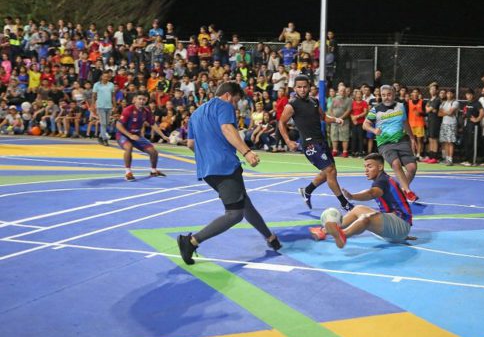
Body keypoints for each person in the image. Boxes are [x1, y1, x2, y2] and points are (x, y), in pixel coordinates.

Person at [177, 82, 281, 265]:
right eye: (235, 100)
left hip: (207, 170)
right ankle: (191, 241)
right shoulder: (224, 106)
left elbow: (190, 144)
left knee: (243, 203)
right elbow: (227, 128)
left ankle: (270, 237)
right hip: (224, 166)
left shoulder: (195, 114)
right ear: (227, 95)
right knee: (234, 214)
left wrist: (208, 157)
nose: (234, 105)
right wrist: (247, 152)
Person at [278, 75, 354, 211]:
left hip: (321, 140)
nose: (302, 89)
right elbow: (281, 123)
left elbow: (323, 116)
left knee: (329, 172)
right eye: (299, 87)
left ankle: (307, 190)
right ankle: (344, 203)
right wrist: (288, 141)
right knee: (330, 170)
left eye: (304, 87)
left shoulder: (314, 101)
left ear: (309, 87)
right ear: (295, 88)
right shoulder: (291, 105)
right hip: (310, 144)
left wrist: (336, 120)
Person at [310, 153, 416, 248]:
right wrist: (354, 196)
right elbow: (369, 191)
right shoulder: (382, 180)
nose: (366, 170)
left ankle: (342, 235)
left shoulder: (382, 181)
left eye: (370, 166)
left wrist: (352, 197)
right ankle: (323, 231)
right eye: (365, 167)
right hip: (394, 227)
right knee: (358, 209)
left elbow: (372, 193)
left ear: (380, 167)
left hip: (401, 225)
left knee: (366, 218)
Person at [363, 85, 419, 201]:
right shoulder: (376, 109)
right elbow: (365, 124)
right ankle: (408, 191)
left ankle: (401, 190)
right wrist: (374, 130)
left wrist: (412, 138)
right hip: (385, 143)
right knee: (396, 164)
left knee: (412, 168)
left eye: (388, 95)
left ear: (394, 95)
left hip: (401, 140)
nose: (386, 97)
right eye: (383, 95)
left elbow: (405, 122)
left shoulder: (401, 106)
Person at [115, 94, 168, 181]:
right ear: (135, 99)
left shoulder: (146, 111)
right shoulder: (128, 110)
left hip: (137, 136)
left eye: (144, 99)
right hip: (123, 135)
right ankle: (128, 173)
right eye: (139, 99)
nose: (141, 101)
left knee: (153, 152)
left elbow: (153, 124)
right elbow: (118, 125)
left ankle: (153, 171)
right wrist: (130, 135)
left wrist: (163, 136)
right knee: (128, 148)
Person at [92, 71, 115, 145]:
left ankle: (100, 137)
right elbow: (94, 96)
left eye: (107, 77)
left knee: (106, 123)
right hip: (100, 105)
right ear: (101, 77)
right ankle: (105, 139)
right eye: (104, 76)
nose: (106, 78)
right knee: (103, 123)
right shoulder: (97, 85)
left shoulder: (111, 85)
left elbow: (113, 96)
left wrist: (114, 105)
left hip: (109, 106)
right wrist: (93, 106)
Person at [438, 89, 459, 166]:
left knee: (450, 142)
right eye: (448, 93)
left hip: (451, 124)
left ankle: (450, 159)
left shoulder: (455, 102)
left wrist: (444, 112)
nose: (449, 95)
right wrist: (446, 112)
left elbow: (451, 112)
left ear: (453, 94)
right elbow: (439, 114)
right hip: (444, 123)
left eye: (450, 93)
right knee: (445, 141)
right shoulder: (444, 103)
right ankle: (446, 159)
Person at [423, 83, 442, 164]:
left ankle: (435, 157)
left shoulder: (437, 99)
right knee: (430, 139)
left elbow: (428, 109)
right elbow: (427, 109)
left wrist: (429, 108)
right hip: (430, 120)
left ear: (437, 90)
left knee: (434, 139)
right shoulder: (430, 100)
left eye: (434, 89)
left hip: (435, 121)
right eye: (431, 89)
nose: (432, 90)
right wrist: (429, 109)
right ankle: (430, 156)